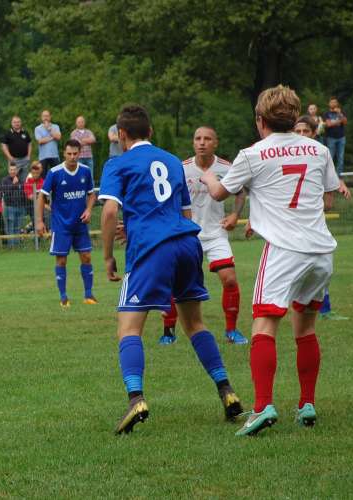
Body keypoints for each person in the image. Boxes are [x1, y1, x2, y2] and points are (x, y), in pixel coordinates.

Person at [202, 85, 339, 436]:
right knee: (306, 327)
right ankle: (306, 403)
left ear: (260, 120)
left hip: (283, 249)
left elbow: (219, 192)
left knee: (263, 325)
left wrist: (206, 174)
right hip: (321, 250)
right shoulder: (319, 149)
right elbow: (328, 201)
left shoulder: (252, 154)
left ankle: (262, 407)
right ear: (295, 119)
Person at [98, 104, 242, 434]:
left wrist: (108, 256)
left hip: (151, 248)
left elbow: (108, 212)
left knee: (129, 329)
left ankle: (136, 399)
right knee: (194, 323)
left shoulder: (118, 162)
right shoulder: (174, 162)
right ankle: (226, 390)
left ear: (121, 135)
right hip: (186, 242)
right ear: (150, 132)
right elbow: (184, 214)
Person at [158, 126, 248, 346]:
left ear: (215, 143)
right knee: (174, 281)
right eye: (198, 138)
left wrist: (235, 215)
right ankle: (168, 331)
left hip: (216, 233)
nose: (202, 142)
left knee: (229, 279)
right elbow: (169, 199)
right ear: (193, 142)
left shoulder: (226, 168)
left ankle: (231, 331)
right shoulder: (181, 169)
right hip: (188, 235)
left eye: (207, 139)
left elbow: (240, 192)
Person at [293, 115, 351, 321]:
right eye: (297, 131)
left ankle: (324, 309)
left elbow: (329, 190)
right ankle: (280, 309)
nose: (301, 135)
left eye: (305, 131)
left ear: (314, 133)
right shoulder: (287, 156)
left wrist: (337, 186)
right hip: (289, 225)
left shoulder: (320, 154)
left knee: (322, 268)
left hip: (313, 223)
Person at [35, 139, 97, 308]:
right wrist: (39, 221)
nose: (72, 157)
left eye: (75, 154)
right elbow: (42, 196)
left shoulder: (85, 171)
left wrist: (89, 210)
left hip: (80, 224)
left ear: (80, 153)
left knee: (86, 256)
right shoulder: (55, 173)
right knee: (61, 260)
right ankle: (63, 297)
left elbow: (92, 194)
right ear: (64, 153)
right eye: (69, 154)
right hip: (61, 225)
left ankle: (88, 295)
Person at [1, 163, 26, 247]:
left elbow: (24, 192)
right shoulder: (5, 180)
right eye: (11, 170)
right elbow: (5, 193)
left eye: (14, 170)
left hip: (20, 207)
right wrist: (13, 184)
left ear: (16, 170)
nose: (13, 171)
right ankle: (11, 246)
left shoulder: (21, 180)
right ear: (8, 170)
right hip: (9, 207)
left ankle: (17, 246)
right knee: (10, 228)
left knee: (18, 228)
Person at [323, 97, 347, 175]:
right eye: (332, 102)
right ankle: (330, 175)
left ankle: (339, 177)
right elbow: (328, 124)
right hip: (331, 138)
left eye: (335, 102)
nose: (333, 103)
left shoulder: (341, 112)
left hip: (341, 137)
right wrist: (338, 121)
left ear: (337, 103)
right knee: (331, 158)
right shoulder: (326, 113)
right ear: (329, 104)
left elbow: (345, 122)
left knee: (341, 158)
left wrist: (339, 114)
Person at [35, 110, 61, 175]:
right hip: (43, 157)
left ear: (50, 117)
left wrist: (49, 129)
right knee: (43, 177)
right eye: (44, 116)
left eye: (47, 116)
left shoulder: (55, 126)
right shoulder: (37, 128)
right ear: (41, 117)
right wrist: (52, 137)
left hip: (54, 155)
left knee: (57, 175)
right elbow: (40, 141)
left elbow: (58, 137)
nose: (45, 118)